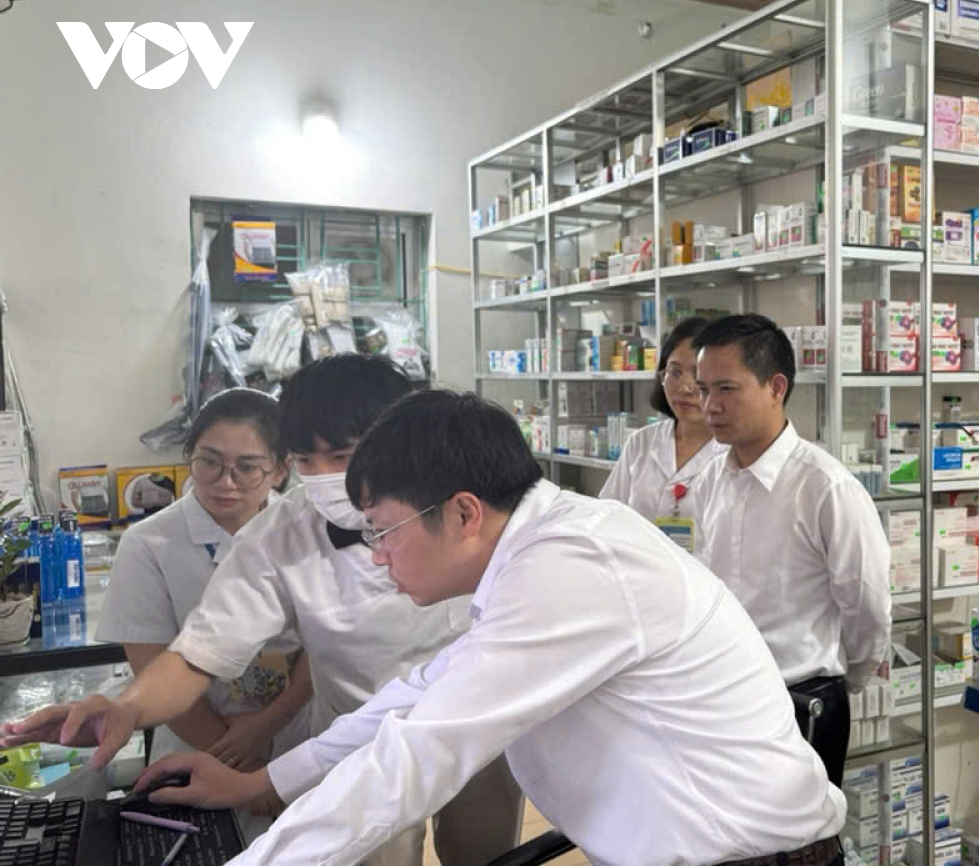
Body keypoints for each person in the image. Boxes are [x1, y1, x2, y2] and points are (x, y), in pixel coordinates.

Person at [124, 390, 848, 866]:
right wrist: (262, 784)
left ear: (464, 512)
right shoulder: (540, 548)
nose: (376, 555)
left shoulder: (572, 566)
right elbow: (417, 694)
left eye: (383, 530)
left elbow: (422, 751)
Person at [2, 355, 522, 866]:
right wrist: (128, 709)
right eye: (305, 460)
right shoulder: (280, 537)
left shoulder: (477, 505)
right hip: (359, 741)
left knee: (485, 851)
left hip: (479, 720)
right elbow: (200, 653)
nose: (324, 478)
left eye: (342, 456)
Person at [94, 388, 311, 840]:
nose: (225, 482)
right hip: (197, 744)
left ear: (280, 468)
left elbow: (323, 645)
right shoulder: (149, 544)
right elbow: (152, 666)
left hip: (297, 738)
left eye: (247, 467)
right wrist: (245, 768)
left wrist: (267, 729)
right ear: (189, 455)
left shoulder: (303, 530)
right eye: (209, 462)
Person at [693, 313, 892, 784]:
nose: (709, 406)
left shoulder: (825, 486)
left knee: (806, 831)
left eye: (726, 389)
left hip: (803, 702)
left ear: (775, 387)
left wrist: (845, 679)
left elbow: (867, 604)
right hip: (725, 698)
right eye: (703, 390)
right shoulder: (711, 479)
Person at [598, 316, 726, 552]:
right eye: (674, 372)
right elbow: (607, 515)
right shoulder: (641, 442)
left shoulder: (734, 453)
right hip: (638, 570)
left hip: (704, 576)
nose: (684, 387)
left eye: (697, 375)